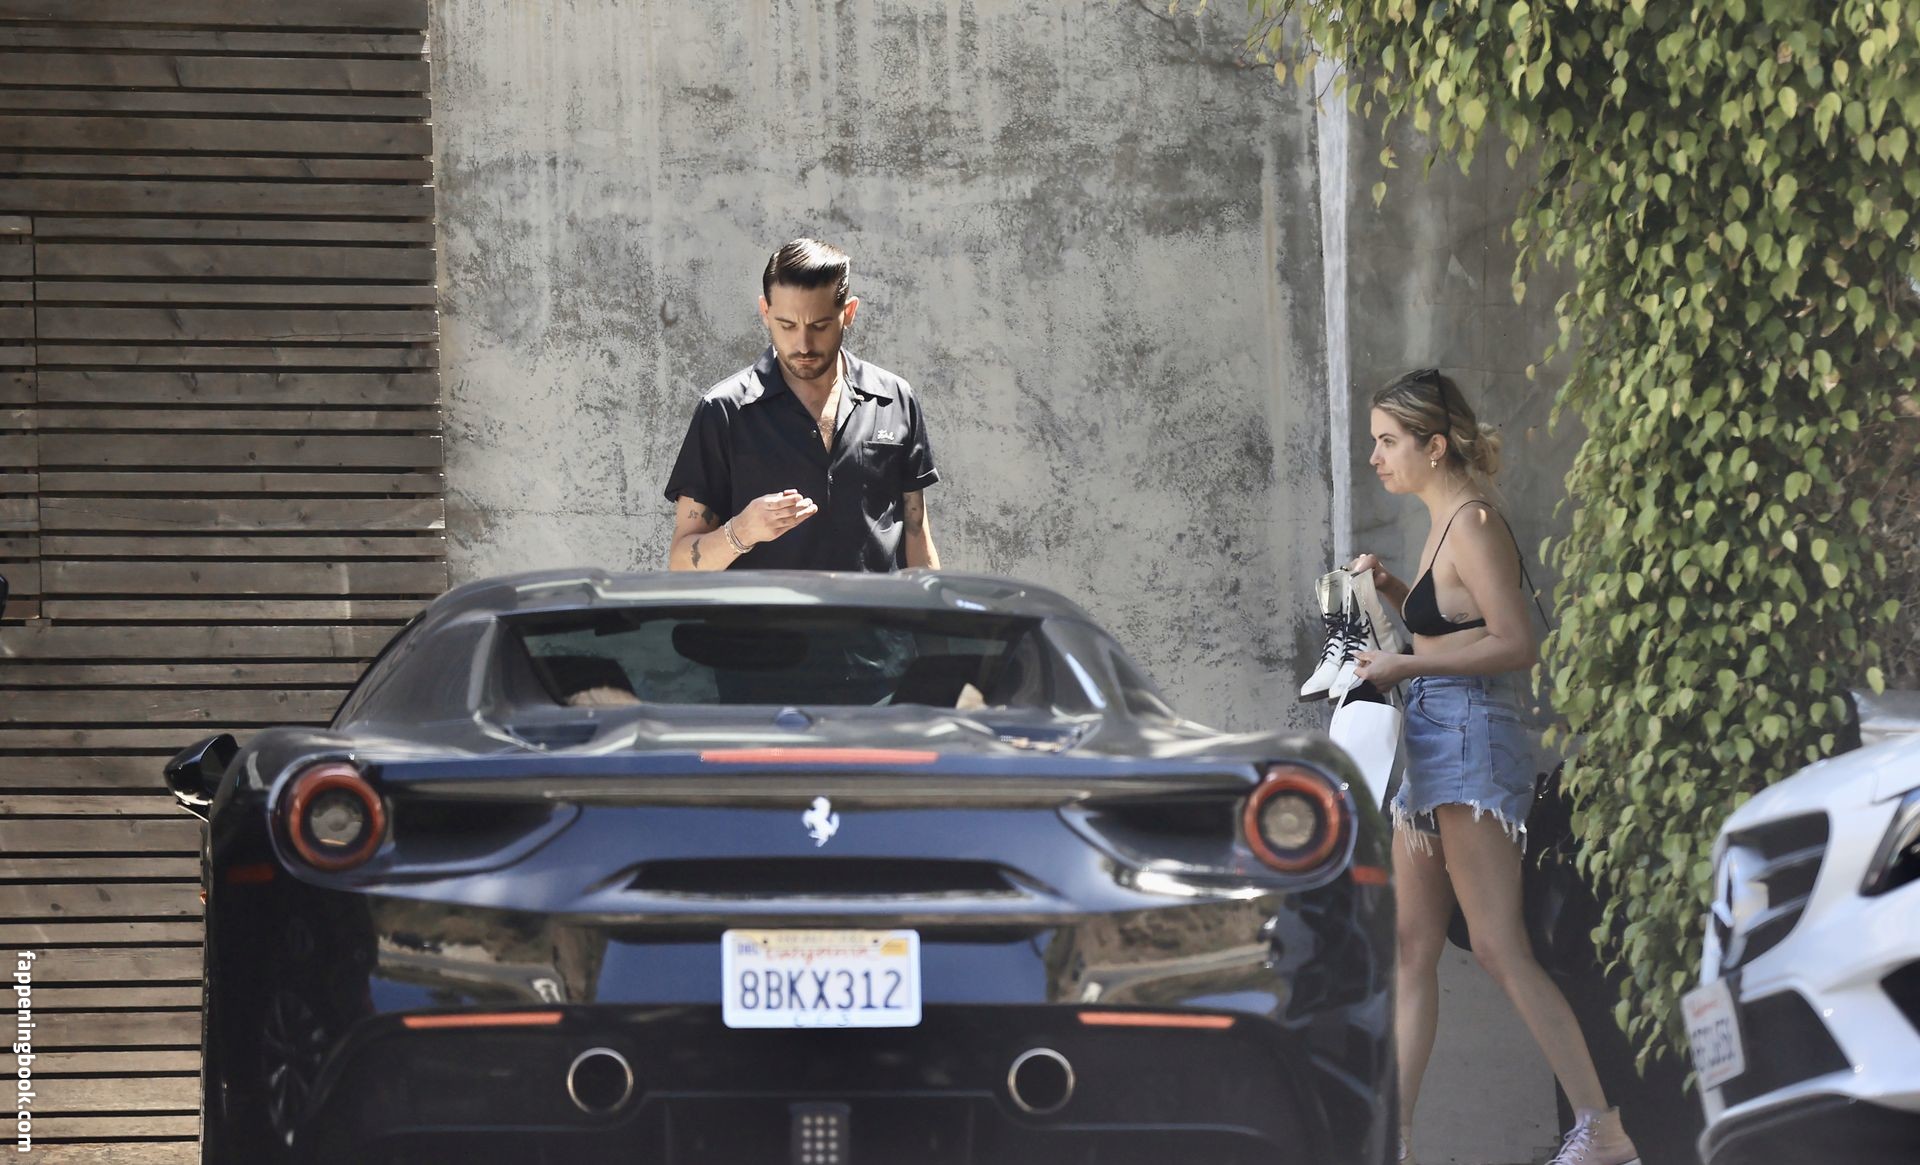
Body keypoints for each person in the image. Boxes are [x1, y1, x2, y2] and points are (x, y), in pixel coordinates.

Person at [1347, 370, 1639, 1165]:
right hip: (1434, 737)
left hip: (1471, 739)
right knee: (1410, 943)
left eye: (1388, 441)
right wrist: (1393, 589)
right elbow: (1452, 626)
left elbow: (1515, 643)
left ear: (1434, 445)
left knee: (1500, 944)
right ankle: (1392, 1141)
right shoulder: (1442, 520)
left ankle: (1602, 1130)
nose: (1375, 456)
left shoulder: (1473, 521)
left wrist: (1403, 666)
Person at [664, 238, 942, 572]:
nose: (804, 344)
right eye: (787, 325)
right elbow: (682, 563)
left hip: (872, 609)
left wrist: (932, 603)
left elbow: (917, 537)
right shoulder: (724, 412)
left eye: (819, 326)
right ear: (765, 313)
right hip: (766, 609)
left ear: (848, 313)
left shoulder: (894, 399)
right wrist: (742, 531)